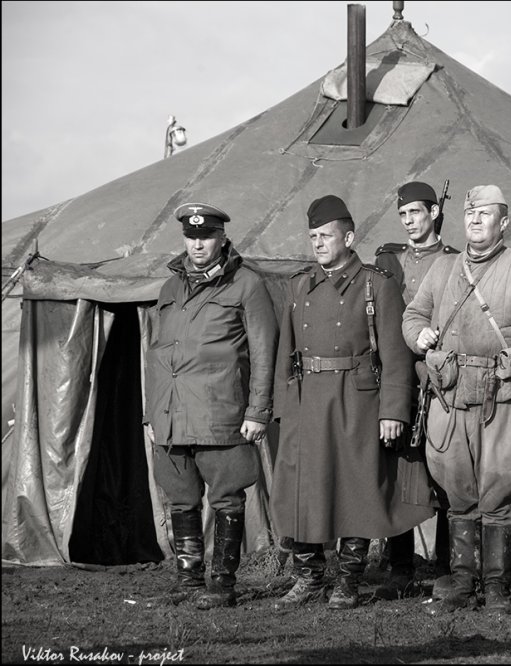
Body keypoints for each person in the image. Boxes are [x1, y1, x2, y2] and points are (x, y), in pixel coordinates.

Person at [270, 194, 434, 610]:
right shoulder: (299, 285)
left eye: (326, 236)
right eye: (313, 237)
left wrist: (393, 411)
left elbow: (395, 356)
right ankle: (308, 577)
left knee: (356, 488)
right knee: (304, 487)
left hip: (357, 400)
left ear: (348, 237)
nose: (318, 244)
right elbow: (285, 351)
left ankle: (348, 580)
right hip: (308, 400)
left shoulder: (377, 284)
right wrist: (283, 407)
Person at [402, 184, 511, 616]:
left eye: (484, 213)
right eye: (470, 213)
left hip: (502, 399)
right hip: (450, 398)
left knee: (499, 491)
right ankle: (462, 583)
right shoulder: (443, 268)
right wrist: (419, 334)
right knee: (458, 492)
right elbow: (413, 314)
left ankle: (497, 587)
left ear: (503, 222)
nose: (474, 219)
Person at [144, 202, 278, 609]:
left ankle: (222, 583)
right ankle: (188, 580)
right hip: (171, 414)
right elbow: (158, 353)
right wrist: (151, 412)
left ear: (222, 238)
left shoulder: (246, 285)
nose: (197, 244)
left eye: (205, 236)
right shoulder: (170, 288)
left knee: (226, 497)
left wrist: (258, 411)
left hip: (219, 412)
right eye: (191, 236)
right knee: (180, 497)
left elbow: (263, 353)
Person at [374, 181, 459, 601]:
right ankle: (400, 567)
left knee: (445, 473)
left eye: (416, 213)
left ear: (434, 213)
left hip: (439, 380)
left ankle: (447, 568)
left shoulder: (455, 261)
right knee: (399, 472)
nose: (409, 222)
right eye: (403, 215)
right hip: (397, 379)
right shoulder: (388, 261)